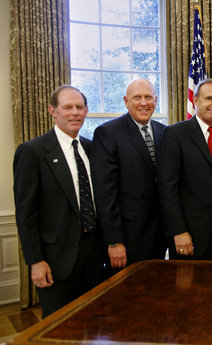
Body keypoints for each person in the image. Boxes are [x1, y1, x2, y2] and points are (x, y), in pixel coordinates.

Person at [13, 85, 103, 317]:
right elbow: (26, 214)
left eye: (79, 107)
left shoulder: (92, 148)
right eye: (67, 107)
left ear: (86, 111)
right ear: (53, 111)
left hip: (94, 255)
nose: (74, 112)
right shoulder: (32, 152)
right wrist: (36, 261)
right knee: (58, 325)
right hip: (56, 260)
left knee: (93, 321)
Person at [158, 79, 212, 259]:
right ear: (196, 101)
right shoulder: (175, 134)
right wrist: (178, 231)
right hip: (188, 236)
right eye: (209, 99)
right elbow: (168, 188)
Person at [90, 79, 167, 272]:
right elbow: (105, 192)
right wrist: (114, 241)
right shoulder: (107, 133)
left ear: (155, 100)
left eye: (148, 97)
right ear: (126, 101)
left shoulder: (163, 131)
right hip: (127, 238)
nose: (143, 103)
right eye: (137, 97)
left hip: (159, 235)